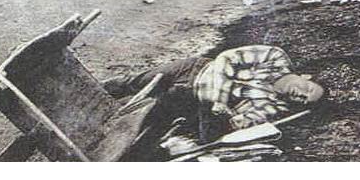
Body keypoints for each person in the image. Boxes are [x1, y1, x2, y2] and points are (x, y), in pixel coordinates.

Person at [102, 45, 324, 143]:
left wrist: (232, 118)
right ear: (306, 76)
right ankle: (89, 91)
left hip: (191, 101)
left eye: (304, 101)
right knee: (132, 84)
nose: (301, 95)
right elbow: (227, 59)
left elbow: (244, 121)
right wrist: (220, 98)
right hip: (193, 70)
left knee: (140, 119)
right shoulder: (275, 58)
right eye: (308, 89)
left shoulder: (275, 107)